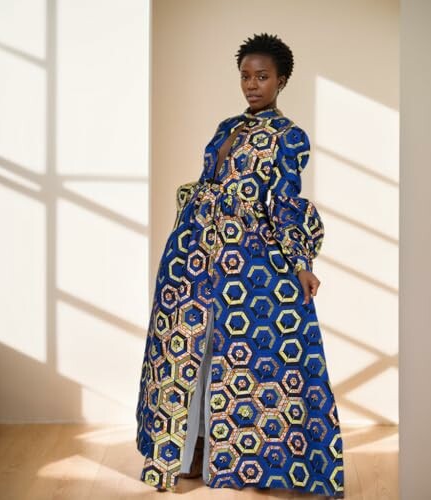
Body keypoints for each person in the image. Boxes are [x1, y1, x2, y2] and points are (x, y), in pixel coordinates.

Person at [135, 32, 345, 498]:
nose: (252, 85)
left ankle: (243, 459)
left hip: (246, 255)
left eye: (262, 77)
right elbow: (207, 181)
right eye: (246, 77)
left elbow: (286, 202)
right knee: (187, 346)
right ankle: (185, 449)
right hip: (191, 252)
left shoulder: (290, 137)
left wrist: (302, 261)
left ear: (281, 80)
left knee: (239, 348)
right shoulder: (225, 125)